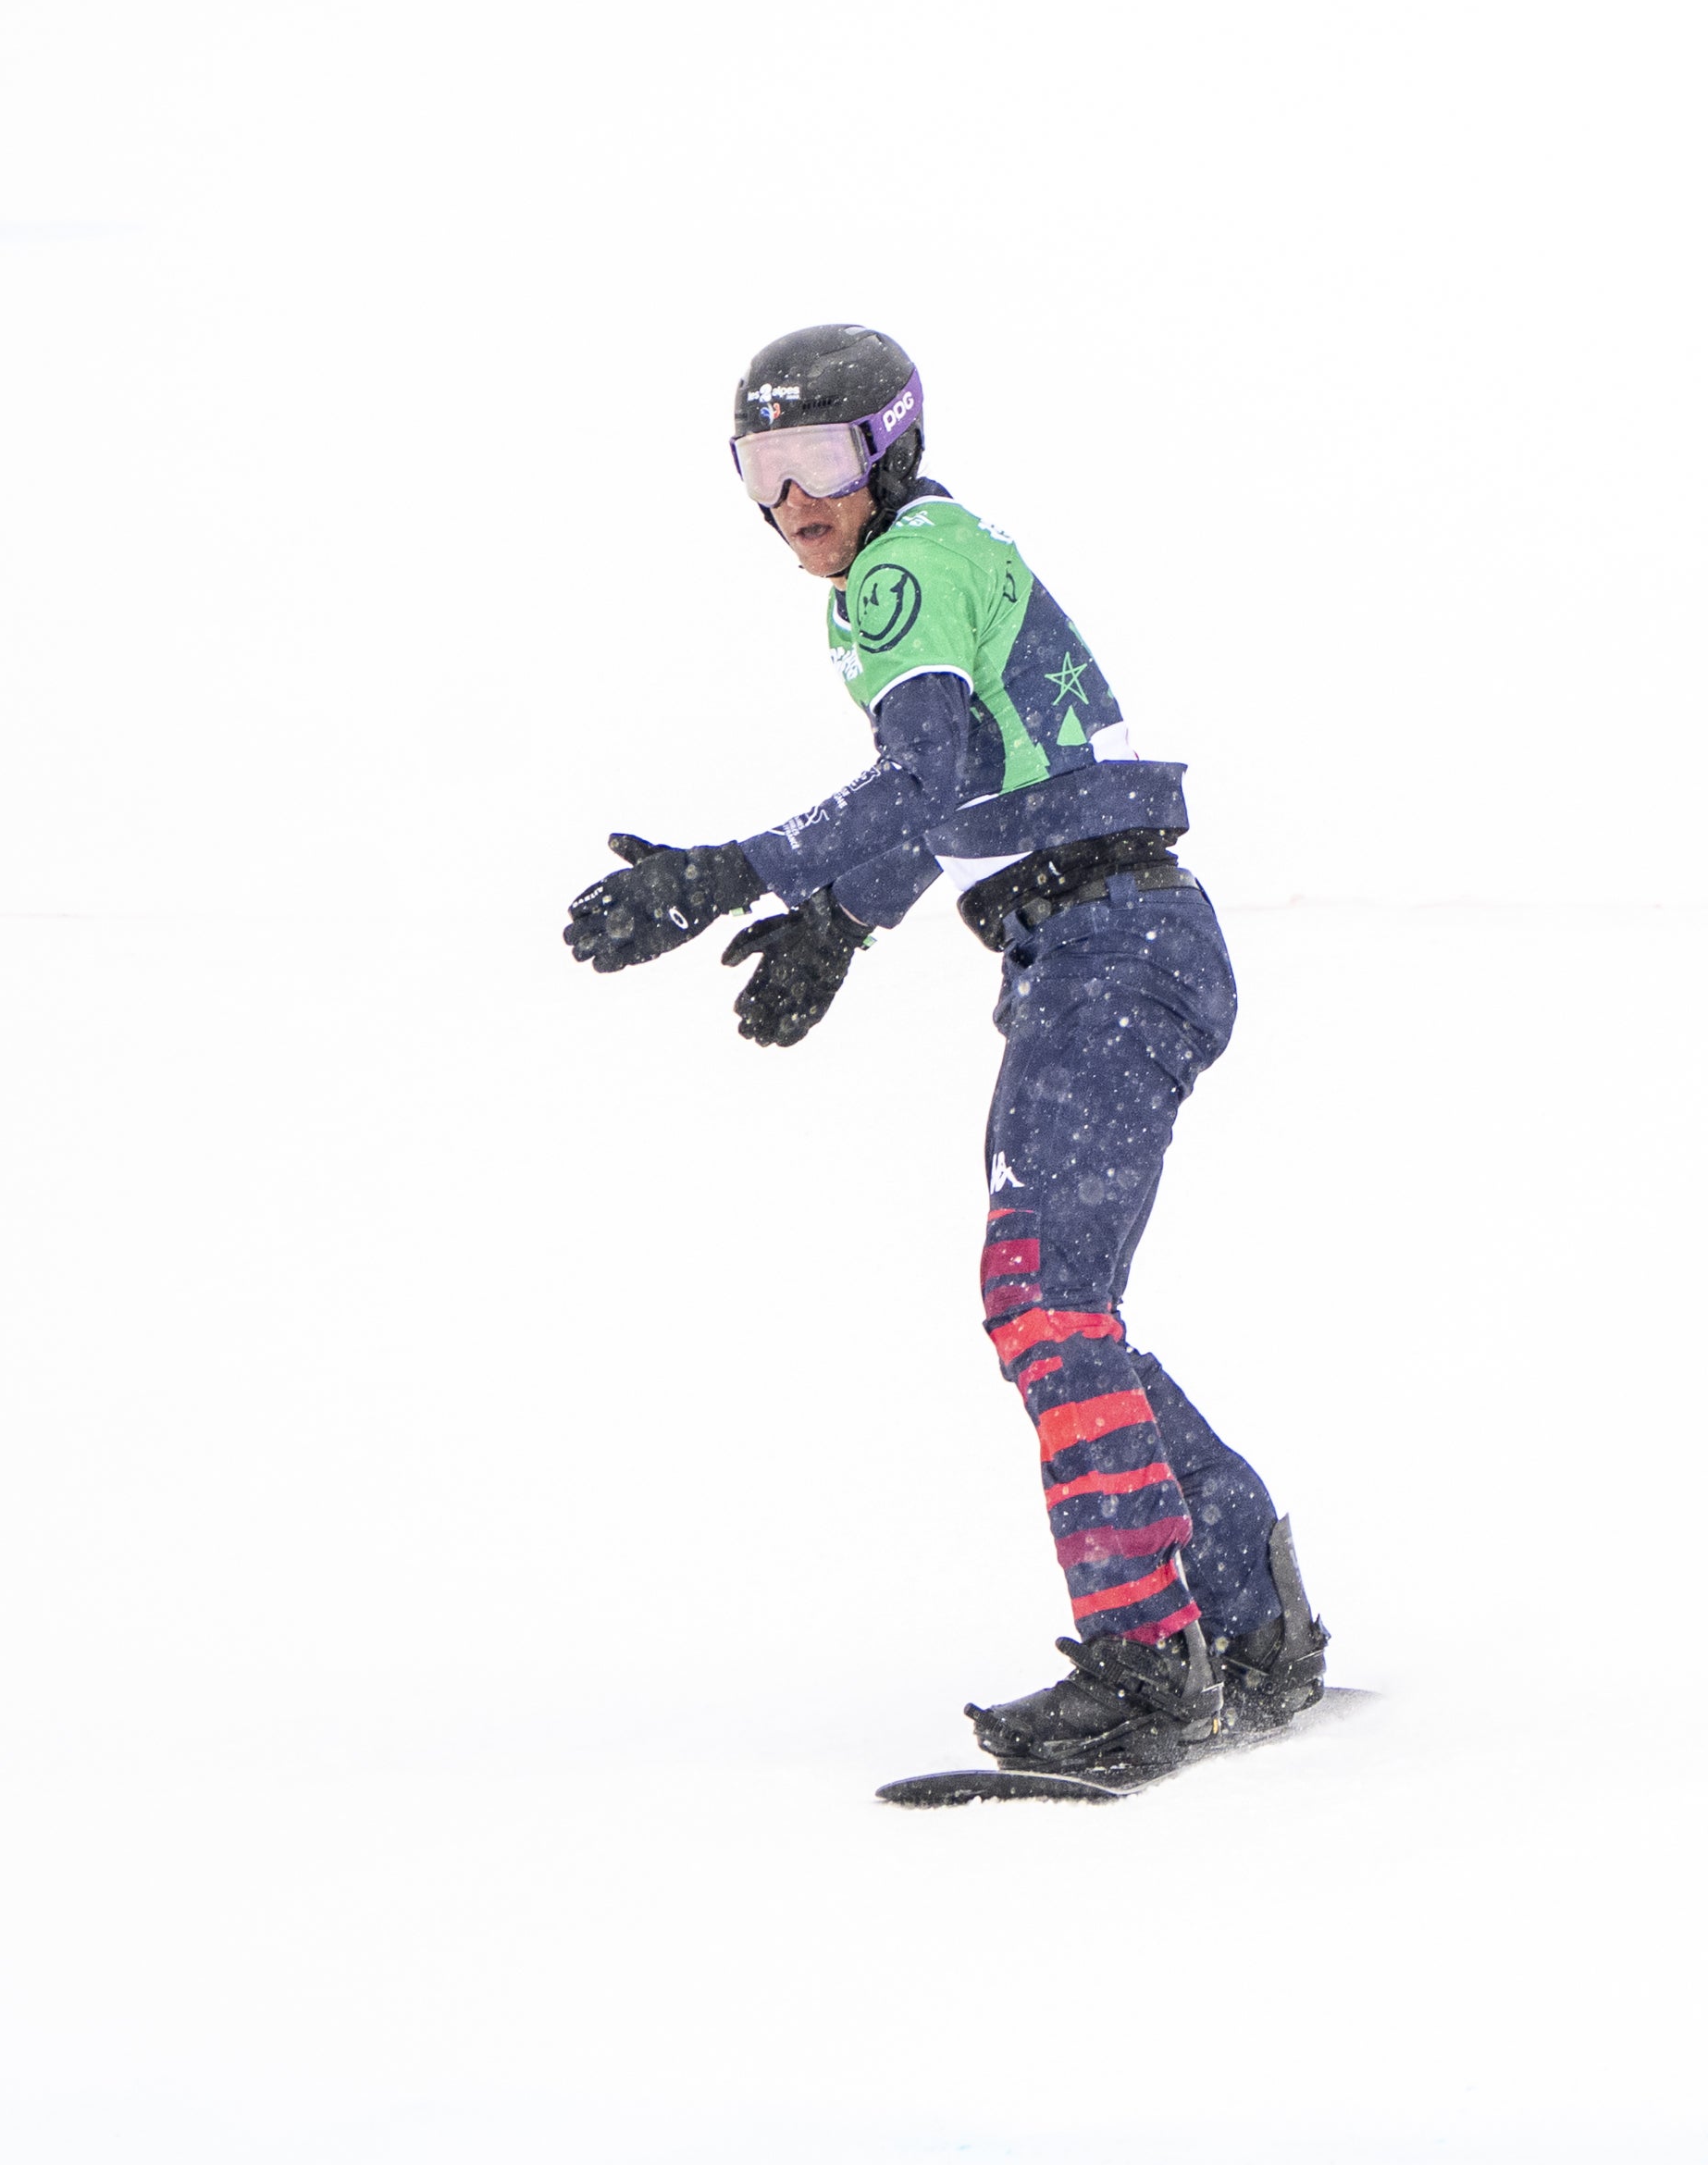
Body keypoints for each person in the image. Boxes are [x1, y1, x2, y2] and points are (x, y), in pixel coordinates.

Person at [559, 323, 1325, 1783]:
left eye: (819, 460)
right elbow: (971, 777)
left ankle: (1150, 1663)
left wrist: (738, 872)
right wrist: (838, 920)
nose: (794, 503)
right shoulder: (938, 559)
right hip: (1111, 943)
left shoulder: (902, 570)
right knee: (1061, 1305)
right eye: (761, 470)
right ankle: (1243, 1622)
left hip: (1106, 950)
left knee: (1043, 1302)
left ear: (893, 446)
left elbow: (918, 776)